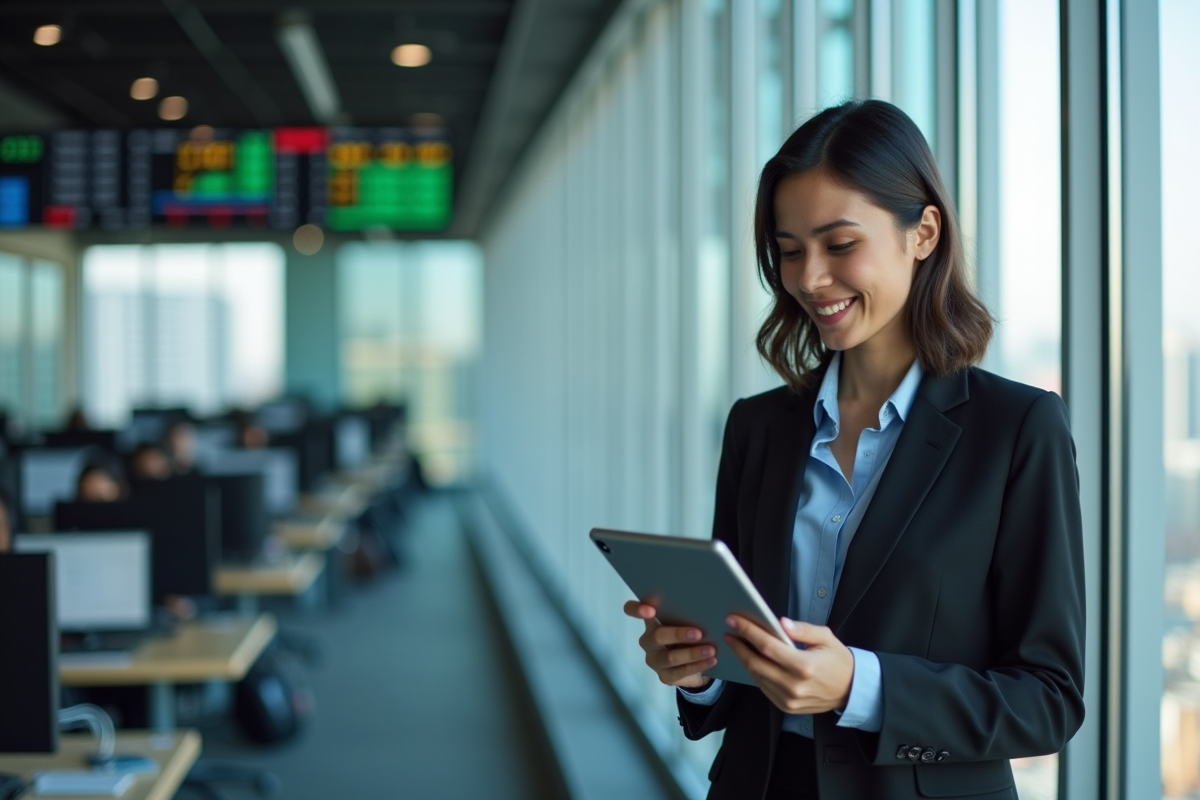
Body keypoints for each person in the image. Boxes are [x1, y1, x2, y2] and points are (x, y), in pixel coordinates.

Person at [624, 100, 1084, 799]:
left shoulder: (1018, 428)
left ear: (923, 232)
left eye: (840, 245)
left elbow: (1048, 700)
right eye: (788, 250)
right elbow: (738, 668)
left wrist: (858, 685)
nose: (809, 278)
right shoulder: (758, 427)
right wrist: (698, 671)